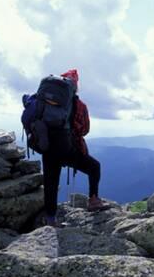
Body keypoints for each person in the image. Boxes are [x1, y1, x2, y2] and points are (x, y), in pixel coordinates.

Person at [41, 69, 106, 227]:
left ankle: (50, 219)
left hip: (46, 145)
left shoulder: (43, 100)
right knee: (94, 167)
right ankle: (93, 200)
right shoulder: (79, 105)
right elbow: (84, 129)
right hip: (67, 148)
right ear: (75, 86)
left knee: (51, 182)